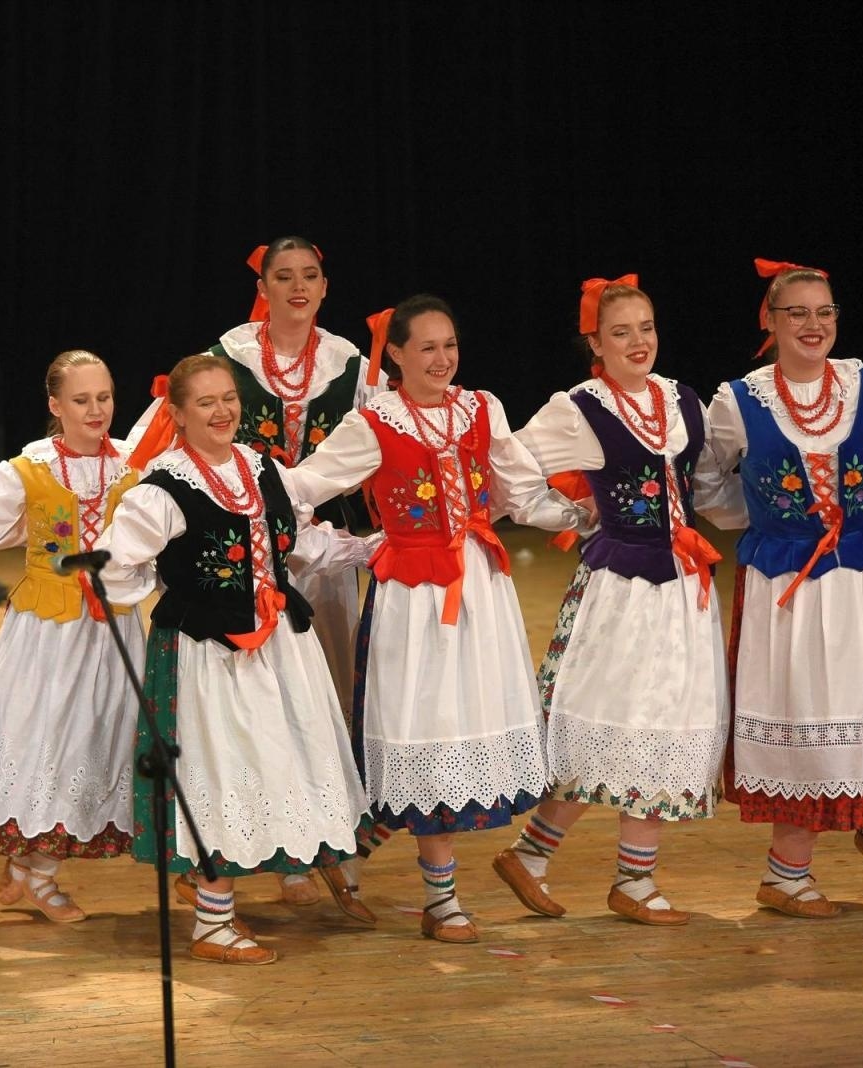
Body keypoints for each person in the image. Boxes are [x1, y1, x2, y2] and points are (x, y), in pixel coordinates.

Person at [280, 295, 587, 943]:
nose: (442, 358)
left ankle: (358, 850)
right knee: (424, 727)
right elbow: (301, 488)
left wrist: (586, 517)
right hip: (414, 596)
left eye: (449, 345)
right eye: (426, 347)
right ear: (394, 353)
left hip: (479, 586)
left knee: (460, 730)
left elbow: (520, 491)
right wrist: (319, 543)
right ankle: (440, 902)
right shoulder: (377, 421)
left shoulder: (481, 409)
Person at [97, 353, 374, 965]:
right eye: (205, 402)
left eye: (229, 398)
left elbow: (292, 543)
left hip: (279, 645)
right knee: (218, 768)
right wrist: (181, 594)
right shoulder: (163, 488)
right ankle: (212, 924)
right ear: (177, 414)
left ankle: (220, 898)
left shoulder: (261, 467)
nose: (222, 411)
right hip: (207, 655)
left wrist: (366, 549)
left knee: (274, 761)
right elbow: (114, 567)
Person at [130, 237, 376, 907]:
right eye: (284, 276)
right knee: (229, 739)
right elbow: (139, 511)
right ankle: (217, 878)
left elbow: (361, 463)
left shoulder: (345, 367)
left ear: (326, 285)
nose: (298, 286)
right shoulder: (221, 368)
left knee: (310, 711)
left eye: (311, 276)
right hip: (218, 601)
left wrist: (374, 544)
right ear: (261, 286)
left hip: (289, 566)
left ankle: (304, 842)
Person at [705, 259, 863, 918]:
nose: (814, 325)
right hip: (790, 584)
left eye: (825, 312)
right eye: (798, 313)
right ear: (771, 321)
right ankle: (786, 874)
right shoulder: (739, 401)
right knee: (806, 709)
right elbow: (706, 480)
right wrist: (760, 515)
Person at [496, 275, 741, 926]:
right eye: (621, 331)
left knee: (663, 723)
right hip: (623, 588)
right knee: (607, 720)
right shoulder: (581, 406)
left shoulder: (683, 400)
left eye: (647, 328)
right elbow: (511, 464)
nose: (638, 342)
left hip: (683, 590)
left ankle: (626, 877)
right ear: (595, 343)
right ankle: (538, 853)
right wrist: (569, 516)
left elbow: (708, 487)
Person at [0, 350, 140, 923]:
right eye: (80, 399)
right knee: (36, 739)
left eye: (104, 397)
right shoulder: (31, 468)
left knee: (92, 743)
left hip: (111, 630)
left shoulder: (134, 467)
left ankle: (40, 873)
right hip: (47, 631)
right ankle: (29, 860)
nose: (95, 410)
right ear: (54, 405)